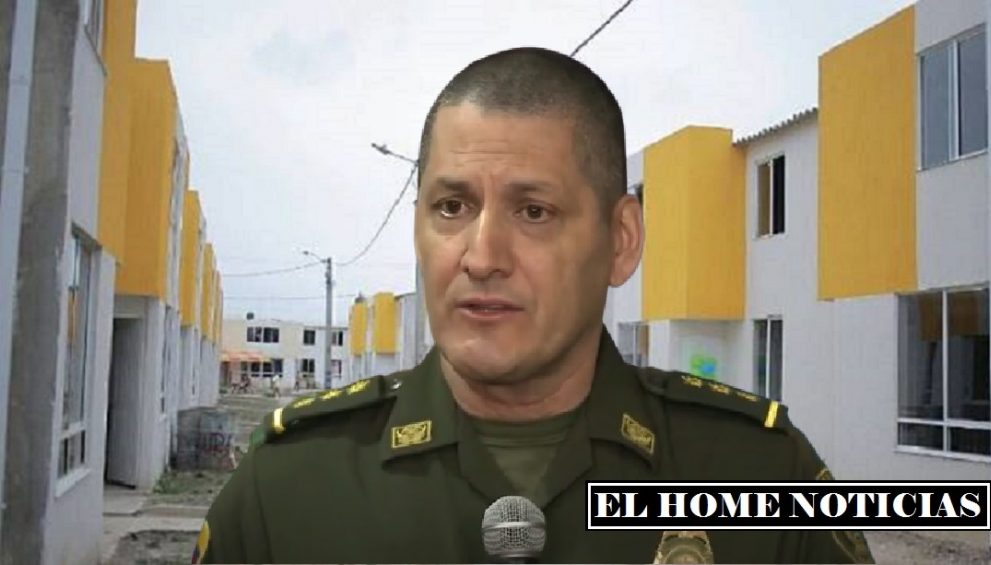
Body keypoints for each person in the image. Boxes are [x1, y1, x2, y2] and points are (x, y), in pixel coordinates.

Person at [193, 47, 874, 564]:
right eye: (451, 207)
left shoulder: (761, 477)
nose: (481, 255)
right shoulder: (290, 485)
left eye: (534, 211)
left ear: (621, 240)